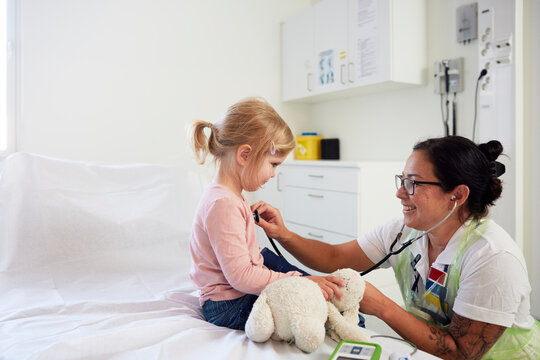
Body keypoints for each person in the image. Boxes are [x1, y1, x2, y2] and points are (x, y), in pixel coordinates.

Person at [252, 136, 540, 359]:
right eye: (402, 180)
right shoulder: (403, 232)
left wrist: (381, 307)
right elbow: (333, 257)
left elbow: (460, 353)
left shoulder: (492, 257)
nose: (399, 193)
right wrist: (285, 235)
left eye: (413, 183)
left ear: (458, 194)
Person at [189, 97, 345, 331]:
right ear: (244, 155)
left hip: (235, 296)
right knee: (308, 307)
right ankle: (336, 314)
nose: (273, 174)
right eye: (273, 164)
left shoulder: (230, 196)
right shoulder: (223, 203)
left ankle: (327, 299)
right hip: (228, 306)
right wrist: (298, 282)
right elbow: (241, 277)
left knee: (290, 276)